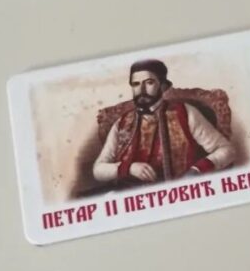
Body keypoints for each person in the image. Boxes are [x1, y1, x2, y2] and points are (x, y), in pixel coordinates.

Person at [93, 59, 235, 186]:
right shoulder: (122, 122)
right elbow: (98, 170)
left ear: (162, 85)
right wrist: (129, 168)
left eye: (149, 82)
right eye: (136, 84)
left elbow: (227, 150)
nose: (141, 90)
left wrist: (197, 170)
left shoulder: (184, 113)